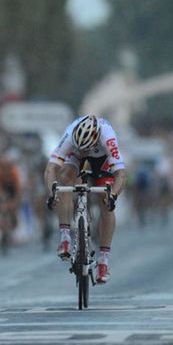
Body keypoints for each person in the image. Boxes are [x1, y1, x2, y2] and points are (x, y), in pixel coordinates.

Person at [44, 115, 127, 284]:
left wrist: (113, 195)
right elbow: (50, 169)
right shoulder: (69, 136)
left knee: (106, 200)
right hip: (74, 157)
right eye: (80, 148)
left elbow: (121, 175)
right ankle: (65, 237)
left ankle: (103, 261)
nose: (84, 152)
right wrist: (52, 191)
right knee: (65, 177)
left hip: (102, 160)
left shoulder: (108, 137)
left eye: (86, 149)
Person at [0, 150, 22, 255]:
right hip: (1, 189)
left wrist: (15, 203)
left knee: (13, 211)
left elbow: (18, 189)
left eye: (7, 166)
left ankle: (11, 225)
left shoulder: (14, 171)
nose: (5, 169)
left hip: (11, 189)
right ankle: (2, 227)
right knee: (1, 209)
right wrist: (1, 198)